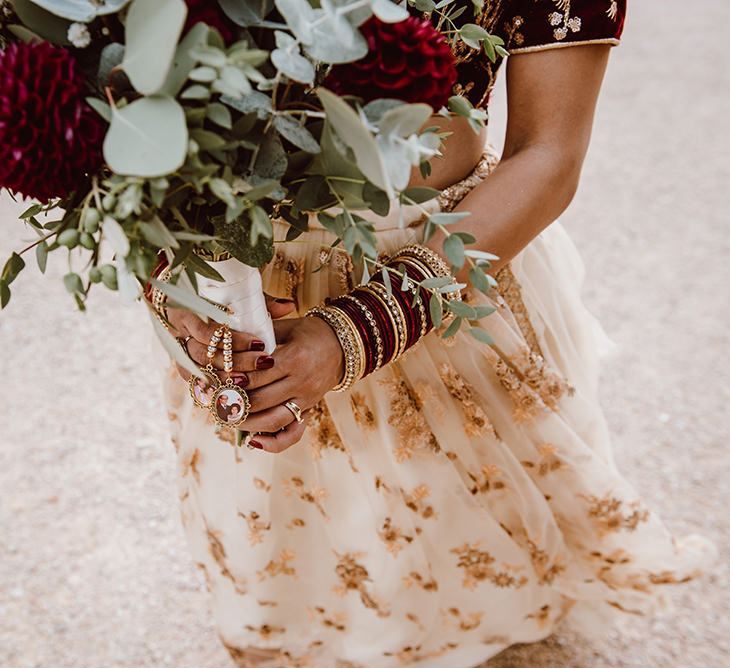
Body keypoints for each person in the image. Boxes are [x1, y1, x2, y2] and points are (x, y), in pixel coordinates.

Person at [160, 2, 715, 666]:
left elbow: (549, 153)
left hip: (444, 269)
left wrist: (355, 331)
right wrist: (181, 285)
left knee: (463, 552)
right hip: (244, 277)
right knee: (284, 547)